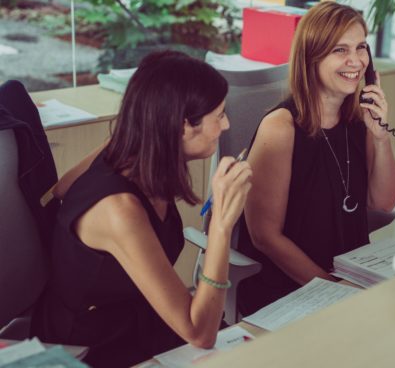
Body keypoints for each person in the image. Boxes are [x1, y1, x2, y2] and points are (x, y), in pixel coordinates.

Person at [32, 51, 252, 367]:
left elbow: (62, 189)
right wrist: (221, 224)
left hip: (137, 317)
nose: (226, 124)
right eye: (218, 115)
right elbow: (199, 334)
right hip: (92, 344)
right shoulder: (118, 210)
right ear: (181, 127)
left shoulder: (132, 155)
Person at [237, 1, 395, 315]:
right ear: (311, 57)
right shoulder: (281, 128)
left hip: (348, 277)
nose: (355, 61)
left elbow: (383, 202)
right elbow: (264, 237)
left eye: (361, 47)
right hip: (288, 289)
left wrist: (381, 139)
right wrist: (330, 289)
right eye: (340, 50)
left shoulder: (358, 120)